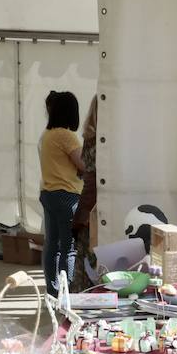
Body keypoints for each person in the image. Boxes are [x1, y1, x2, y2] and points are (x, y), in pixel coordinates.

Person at [38, 91, 85, 292]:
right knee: (69, 248)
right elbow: (83, 164)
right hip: (67, 196)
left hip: (48, 194)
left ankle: (53, 290)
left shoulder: (47, 135)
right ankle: (70, 293)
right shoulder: (66, 136)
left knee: (52, 247)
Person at [70, 97, 99, 292]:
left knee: (84, 262)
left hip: (87, 205)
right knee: (93, 264)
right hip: (94, 208)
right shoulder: (103, 143)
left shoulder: (89, 139)